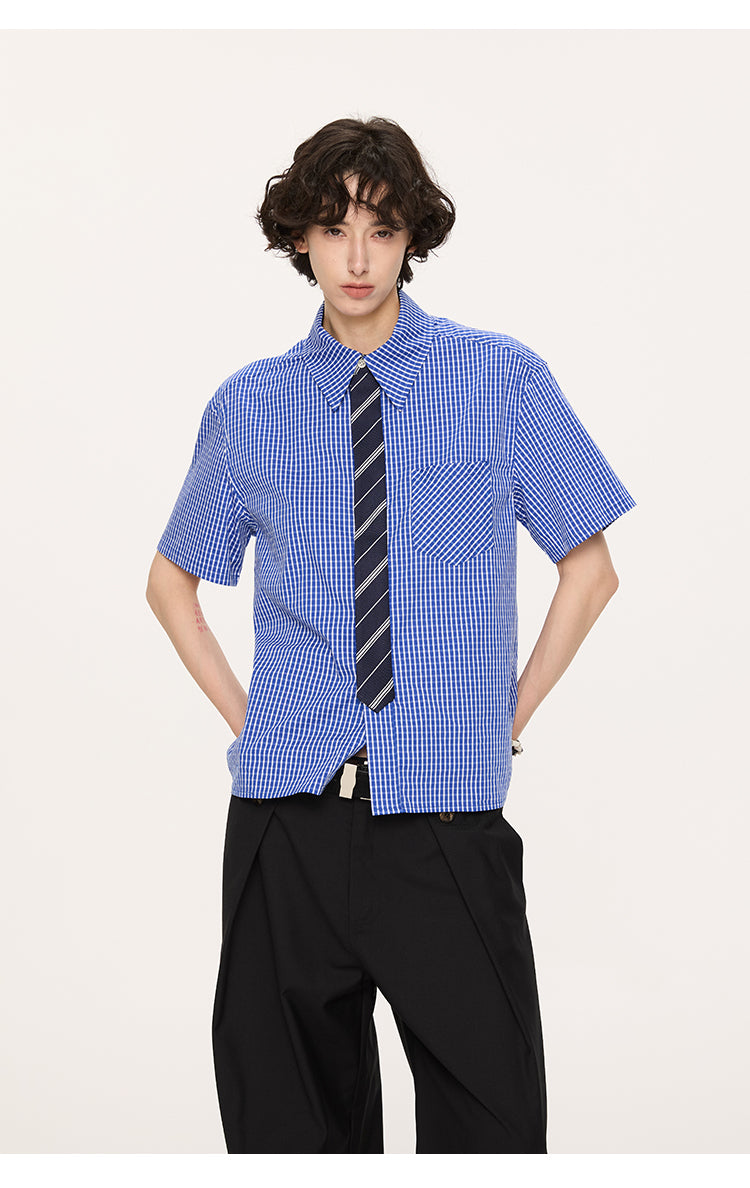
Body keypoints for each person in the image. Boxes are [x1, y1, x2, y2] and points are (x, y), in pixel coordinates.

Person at [146, 116, 636, 1154]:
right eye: (333, 228)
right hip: (287, 827)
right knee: (287, 1140)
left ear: (414, 235)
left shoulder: (501, 379)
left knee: (493, 1134)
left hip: (445, 822)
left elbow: (589, 571)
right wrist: (254, 724)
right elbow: (170, 582)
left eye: (380, 227)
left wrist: (503, 717)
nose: (358, 257)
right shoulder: (250, 405)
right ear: (300, 239)